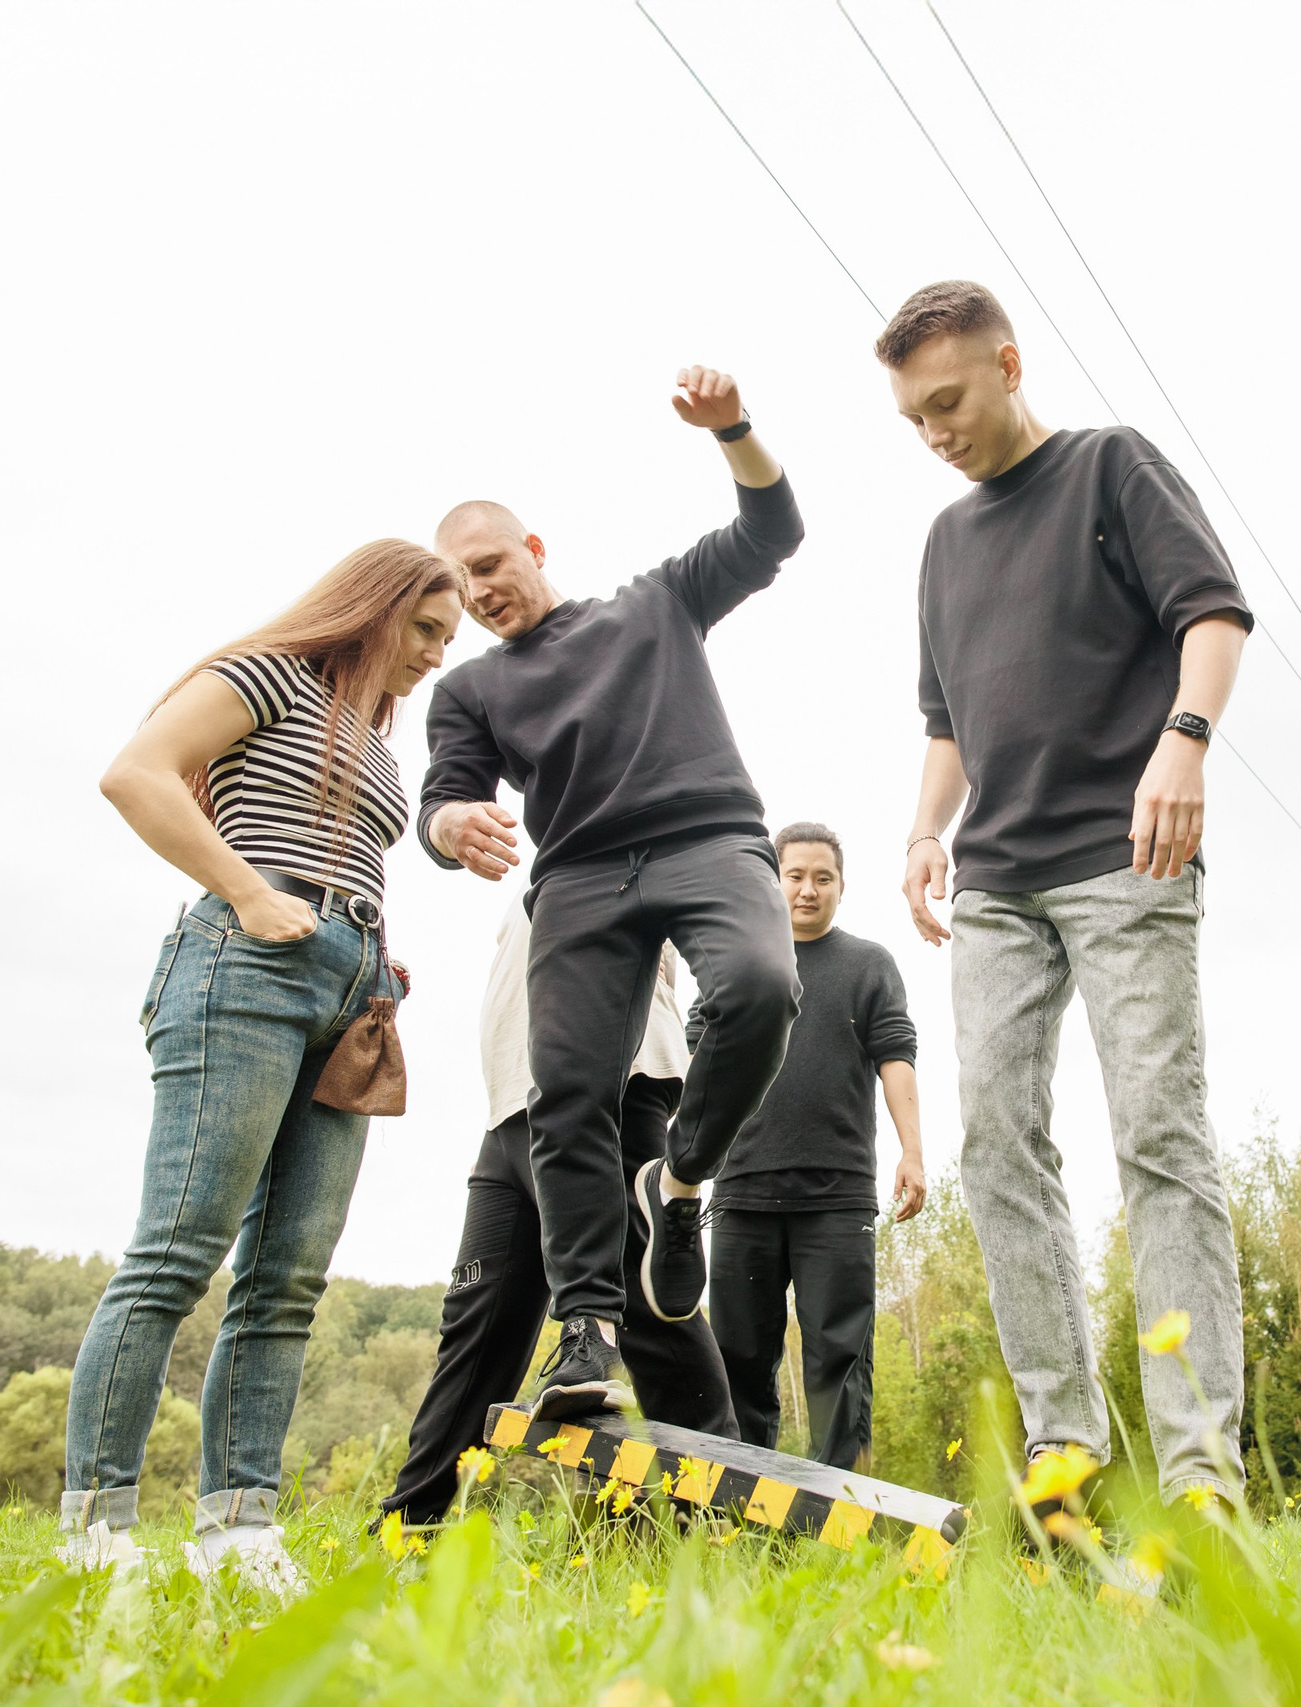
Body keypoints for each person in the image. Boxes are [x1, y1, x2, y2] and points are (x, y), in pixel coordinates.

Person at [876, 281, 1255, 1507]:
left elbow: (1211, 614)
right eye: (913, 417)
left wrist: (1184, 743)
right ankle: (1066, 1447)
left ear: (1007, 364)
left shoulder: (1108, 468)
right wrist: (925, 831)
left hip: (1124, 857)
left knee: (1157, 1135)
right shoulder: (945, 543)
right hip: (997, 883)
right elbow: (947, 721)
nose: (934, 432)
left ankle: (1198, 1469)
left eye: (947, 402)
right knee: (996, 1145)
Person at [63, 540, 467, 1586]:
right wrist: (248, 893)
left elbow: (345, 858)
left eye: (447, 638)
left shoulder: (375, 741)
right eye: (425, 628)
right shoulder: (271, 672)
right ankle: (97, 1529)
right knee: (177, 1252)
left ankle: (239, 1529)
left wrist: (372, 961)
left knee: (288, 1277)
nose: (435, 654)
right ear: (372, 607)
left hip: (350, 993)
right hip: (244, 967)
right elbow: (134, 774)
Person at [418, 367, 804, 1419]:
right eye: (458, 585)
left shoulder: (654, 605)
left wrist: (733, 429)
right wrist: (450, 828)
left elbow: (772, 532)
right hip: (580, 878)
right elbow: (444, 798)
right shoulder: (470, 690)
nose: (479, 592)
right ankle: (585, 1327)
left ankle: (679, 1182)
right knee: (568, 1095)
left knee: (761, 986)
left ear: (533, 549)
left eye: (489, 565)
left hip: (707, 839)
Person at [378, 902, 734, 1525]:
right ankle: (411, 1524)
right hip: (512, 1102)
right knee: (479, 1324)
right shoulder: (548, 857)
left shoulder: (624, 852)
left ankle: (717, 1509)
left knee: (644, 1299)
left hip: (609, 1088)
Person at [700, 822, 923, 1470]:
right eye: (794, 875)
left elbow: (897, 1057)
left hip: (838, 1195)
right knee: (738, 1361)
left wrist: (912, 1151)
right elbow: (699, 1064)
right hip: (742, 1190)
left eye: (822, 877)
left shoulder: (869, 964)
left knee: (839, 1362)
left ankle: (837, 1511)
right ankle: (736, 1509)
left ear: (841, 887)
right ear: (772, 882)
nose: (807, 889)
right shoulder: (735, 963)